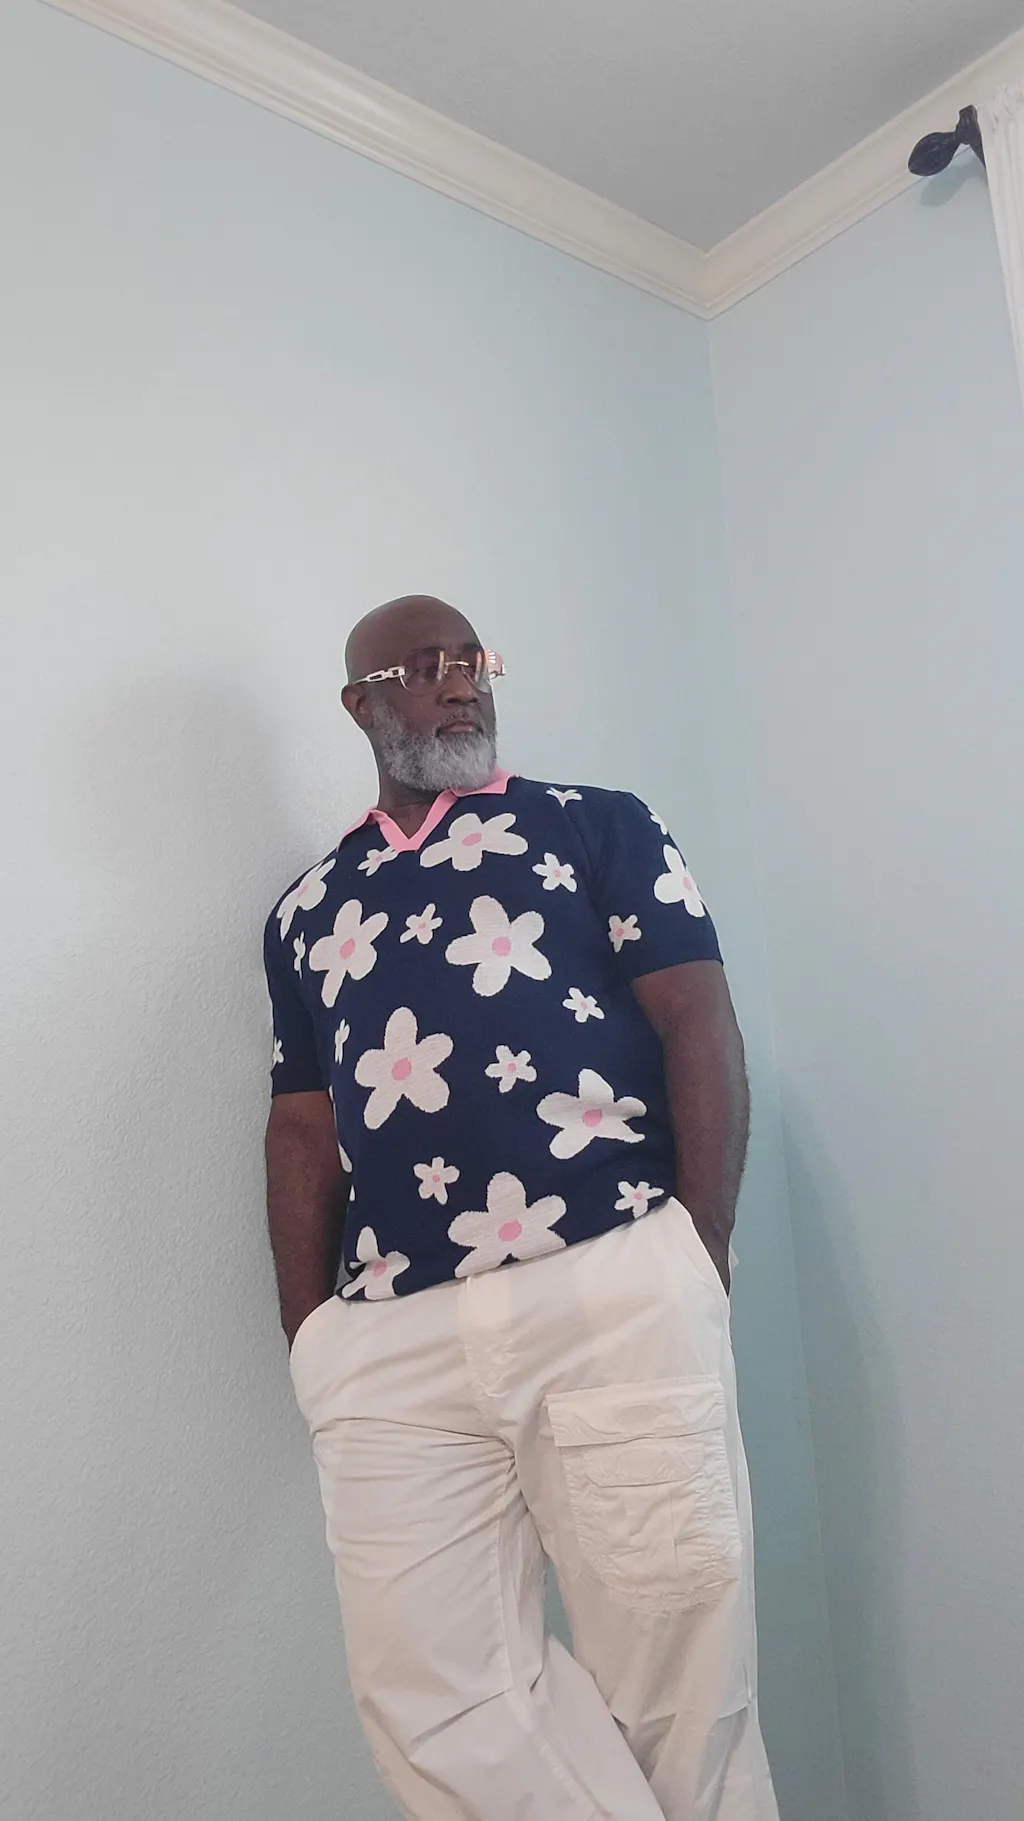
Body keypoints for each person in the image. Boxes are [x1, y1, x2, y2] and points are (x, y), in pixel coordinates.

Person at [263, 594, 779, 1820]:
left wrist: (693, 1248)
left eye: (473, 660)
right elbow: (301, 1124)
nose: (461, 682)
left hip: (606, 1280)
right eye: (424, 666)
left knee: (675, 1695)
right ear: (361, 704)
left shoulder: (596, 826)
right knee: (432, 1703)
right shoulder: (304, 911)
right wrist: (310, 1336)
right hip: (390, 1332)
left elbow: (696, 1017)